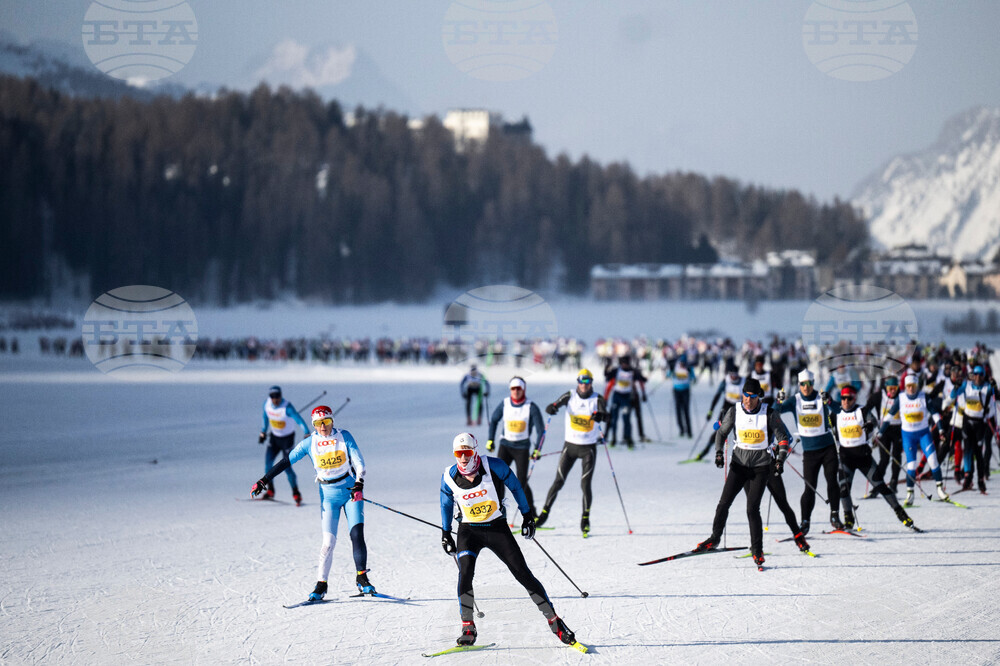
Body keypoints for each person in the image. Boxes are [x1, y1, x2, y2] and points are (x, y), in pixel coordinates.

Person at [440, 433, 576, 648]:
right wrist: (446, 532)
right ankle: (468, 626)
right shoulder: (449, 475)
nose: (463, 458)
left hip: (496, 529)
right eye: (459, 453)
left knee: (523, 574)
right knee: (465, 573)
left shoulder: (494, 465)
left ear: (474, 451)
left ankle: (555, 622)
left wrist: (527, 515)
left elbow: (516, 487)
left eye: (467, 452)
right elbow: (446, 504)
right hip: (468, 532)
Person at [251, 405, 375, 600]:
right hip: (328, 496)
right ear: (314, 425)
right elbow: (286, 462)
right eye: (318, 423)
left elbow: (359, 462)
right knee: (328, 542)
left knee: (356, 534)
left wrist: (359, 483)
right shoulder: (310, 443)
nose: (322, 427)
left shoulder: (344, 436)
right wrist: (264, 480)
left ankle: (362, 579)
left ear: (332, 421)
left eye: (326, 422)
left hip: (351, 491)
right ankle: (321, 585)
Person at [693, 378, 792, 567]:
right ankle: (715, 538)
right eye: (745, 396)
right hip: (738, 466)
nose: (748, 400)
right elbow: (721, 433)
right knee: (723, 503)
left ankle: (757, 551)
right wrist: (719, 453)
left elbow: (783, 438)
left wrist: (780, 460)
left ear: (758, 397)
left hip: (760, 468)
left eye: (752, 397)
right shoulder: (735, 411)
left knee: (752, 509)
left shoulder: (769, 414)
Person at [829, 386, 919, 531]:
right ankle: (849, 519)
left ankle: (902, 514)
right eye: (843, 398)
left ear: (855, 398)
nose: (846, 401)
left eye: (849, 398)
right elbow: (828, 427)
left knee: (881, 486)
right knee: (843, 489)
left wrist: (869, 425)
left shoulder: (861, 411)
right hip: (846, 458)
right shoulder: (835, 413)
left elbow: (874, 421)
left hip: (863, 458)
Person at [536, 369, 610, 536]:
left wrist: (601, 417)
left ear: (591, 382)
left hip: (588, 449)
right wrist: (551, 408)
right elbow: (554, 405)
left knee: (585, 485)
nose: (584, 385)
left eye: (587, 382)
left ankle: (585, 519)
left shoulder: (597, 399)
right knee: (558, 482)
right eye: (581, 382)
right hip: (569, 447)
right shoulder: (570, 395)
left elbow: (607, 416)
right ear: (578, 382)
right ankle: (543, 515)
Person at [776, 370, 843, 534]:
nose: (806, 387)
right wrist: (778, 401)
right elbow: (775, 412)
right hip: (810, 452)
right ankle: (805, 522)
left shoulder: (821, 398)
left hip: (828, 449)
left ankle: (834, 515)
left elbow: (839, 410)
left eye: (809, 384)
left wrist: (831, 401)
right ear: (799, 385)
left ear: (813, 383)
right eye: (803, 384)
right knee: (809, 488)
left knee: (832, 481)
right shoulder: (795, 400)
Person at [882, 373, 951, 506]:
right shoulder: (901, 398)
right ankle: (910, 494)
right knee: (911, 465)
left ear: (917, 386)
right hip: (908, 436)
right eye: (908, 386)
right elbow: (889, 417)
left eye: (913, 386)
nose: (911, 389)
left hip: (924, 433)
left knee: (933, 461)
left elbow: (935, 413)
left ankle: (940, 490)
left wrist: (941, 429)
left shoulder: (923, 396)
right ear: (905, 387)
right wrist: (880, 433)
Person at [487, 376, 545, 515]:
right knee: (498, 478)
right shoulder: (505, 404)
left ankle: (532, 514)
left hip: (522, 448)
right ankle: (499, 512)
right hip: (505, 446)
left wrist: (537, 449)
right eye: (513, 388)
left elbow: (540, 430)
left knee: (521, 482)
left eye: (519, 388)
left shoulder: (531, 407)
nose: (516, 391)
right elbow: (494, 420)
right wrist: (490, 440)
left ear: (523, 389)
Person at [257, 385, 310, 504]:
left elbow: (299, 420)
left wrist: (306, 432)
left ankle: (296, 492)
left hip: (287, 440)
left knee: (287, 468)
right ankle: (270, 490)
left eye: (277, 396)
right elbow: (265, 417)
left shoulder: (287, 407)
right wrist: (263, 432)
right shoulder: (267, 404)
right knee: (268, 466)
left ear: (281, 395)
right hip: (274, 439)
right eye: (272, 396)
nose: (275, 399)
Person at [952, 365, 995, 492]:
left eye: (980, 374)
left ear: (984, 376)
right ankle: (967, 477)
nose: (977, 377)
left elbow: (996, 398)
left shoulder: (987, 387)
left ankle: (980, 480)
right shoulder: (967, 385)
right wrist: (956, 386)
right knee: (967, 451)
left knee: (978, 452)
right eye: (975, 374)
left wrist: (995, 387)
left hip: (980, 424)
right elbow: (953, 395)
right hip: (967, 421)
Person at [695, 361, 743, 460]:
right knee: (719, 431)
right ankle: (706, 450)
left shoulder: (744, 381)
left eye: (735, 374)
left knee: (738, 433)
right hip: (726, 409)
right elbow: (717, 396)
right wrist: (710, 411)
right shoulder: (725, 381)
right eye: (731, 374)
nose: (733, 377)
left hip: (739, 410)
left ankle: (741, 456)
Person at [603, 355, 646, 448]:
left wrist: (643, 393)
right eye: (623, 364)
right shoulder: (616, 371)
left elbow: (643, 379)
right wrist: (606, 367)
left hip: (626, 398)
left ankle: (628, 439)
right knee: (614, 418)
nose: (624, 365)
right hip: (617, 396)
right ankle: (613, 438)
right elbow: (607, 377)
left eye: (626, 364)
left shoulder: (633, 371)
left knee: (626, 419)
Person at [667, 355, 693, 438]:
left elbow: (693, 378)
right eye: (681, 363)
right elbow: (668, 375)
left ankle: (689, 431)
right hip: (677, 391)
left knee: (686, 411)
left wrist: (690, 373)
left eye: (684, 363)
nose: (682, 365)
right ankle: (681, 429)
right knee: (678, 410)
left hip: (686, 391)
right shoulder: (675, 367)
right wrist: (671, 371)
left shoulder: (688, 368)